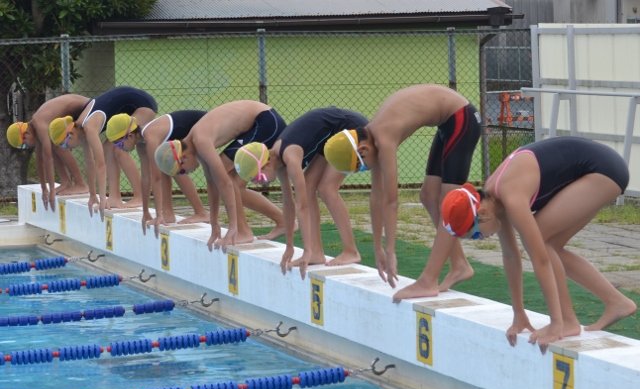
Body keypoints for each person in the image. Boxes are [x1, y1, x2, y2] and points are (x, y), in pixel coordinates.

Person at [440, 136, 637, 348]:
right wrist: (518, 313)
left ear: (482, 213)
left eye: (476, 235)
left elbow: (540, 260)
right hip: (595, 168)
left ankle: (567, 321)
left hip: (603, 170)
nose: (481, 239)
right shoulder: (493, 199)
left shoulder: (510, 196)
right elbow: (510, 256)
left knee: (542, 240)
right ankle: (616, 302)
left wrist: (555, 323)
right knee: (550, 244)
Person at [324, 84, 481, 295]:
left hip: (463, 119)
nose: (367, 170)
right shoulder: (371, 139)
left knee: (447, 202)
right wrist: (377, 247)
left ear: (362, 150)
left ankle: (428, 280)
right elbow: (376, 196)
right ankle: (460, 264)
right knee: (428, 196)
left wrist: (391, 250)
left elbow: (391, 200)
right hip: (447, 123)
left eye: (361, 167)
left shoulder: (384, 138)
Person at [234, 106, 368, 279]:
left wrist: (305, 250)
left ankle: (351, 251)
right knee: (310, 184)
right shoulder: (277, 160)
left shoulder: (290, 156)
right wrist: (289, 245)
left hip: (352, 130)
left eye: (257, 178)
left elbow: (302, 206)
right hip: (332, 134)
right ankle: (316, 253)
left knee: (327, 188)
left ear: (266, 164)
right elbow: (289, 204)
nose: (260, 183)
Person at [153, 100, 287, 250]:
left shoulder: (201, 140)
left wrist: (232, 228)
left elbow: (224, 182)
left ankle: (242, 231)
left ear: (183, 158)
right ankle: (282, 222)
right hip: (259, 121)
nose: (187, 173)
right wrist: (214, 224)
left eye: (182, 171)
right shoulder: (195, 144)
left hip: (265, 121)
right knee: (231, 183)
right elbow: (212, 183)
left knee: (228, 178)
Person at [49, 86, 157, 220]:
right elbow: (90, 163)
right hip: (127, 103)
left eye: (64, 145)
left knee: (117, 147)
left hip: (142, 105)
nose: (68, 149)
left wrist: (101, 199)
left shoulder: (88, 127)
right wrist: (93, 196)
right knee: (108, 146)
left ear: (70, 134)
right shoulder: (80, 129)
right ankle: (114, 198)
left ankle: (139, 196)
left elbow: (100, 165)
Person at [105, 110, 209, 236]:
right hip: (191, 128)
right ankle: (168, 213)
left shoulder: (150, 137)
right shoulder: (141, 143)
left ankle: (201, 213)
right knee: (167, 164)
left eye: (119, 143)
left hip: (204, 123)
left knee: (172, 166)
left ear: (130, 136)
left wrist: (158, 215)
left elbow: (156, 178)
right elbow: (146, 177)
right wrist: (145, 212)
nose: (119, 148)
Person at [6, 94, 89, 210]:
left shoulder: (40, 124)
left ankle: (81, 184)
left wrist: (51, 190)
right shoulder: (36, 127)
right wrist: (45, 188)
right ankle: (66, 182)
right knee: (53, 143)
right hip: (81, 109)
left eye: (24, 145)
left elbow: (48, 158)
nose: (28, 147)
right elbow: (40, 160)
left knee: (57, 144)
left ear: (25, 135)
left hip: (87, 107)